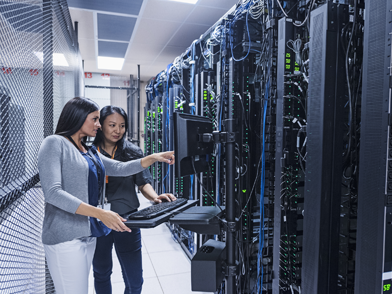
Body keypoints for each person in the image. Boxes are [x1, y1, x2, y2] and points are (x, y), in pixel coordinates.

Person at [37, 97, 174, 294]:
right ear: (78, 117)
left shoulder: (86, 150)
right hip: (65, 237)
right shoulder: (54, 143)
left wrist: (152, 158)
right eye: (95, 119)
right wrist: (100, 214)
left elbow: (119, 167)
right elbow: (52, 193)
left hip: (88, 234)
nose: (98, 125)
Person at [91, 105, 176, 294]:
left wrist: (155, 197)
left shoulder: (132, 151)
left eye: (122, 126)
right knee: (101, 272)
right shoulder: (90, 152)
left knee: (135, 279)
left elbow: (142, 182)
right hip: (99, 220)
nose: (117, 131)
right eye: (112, 125)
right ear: (101, 125)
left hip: (127, 220)